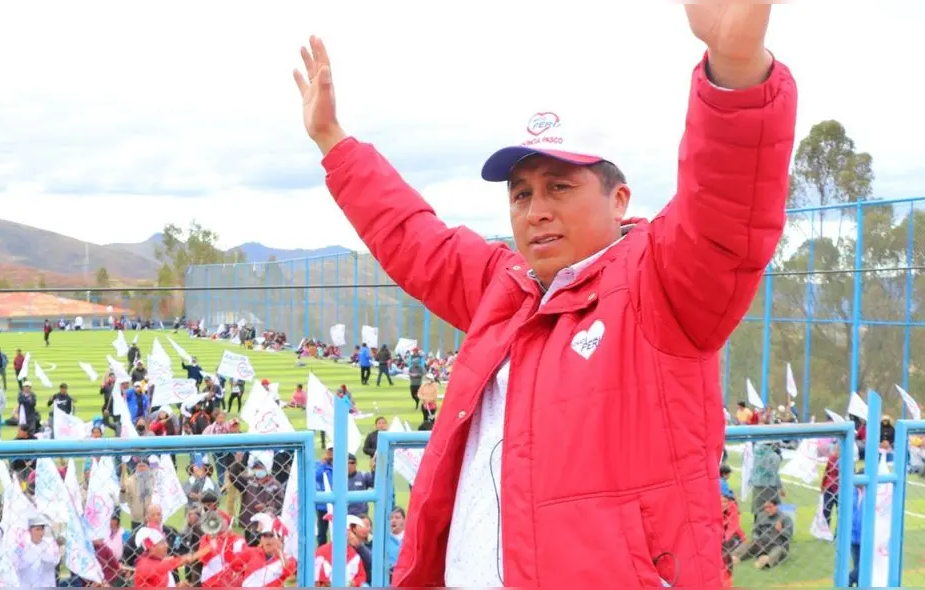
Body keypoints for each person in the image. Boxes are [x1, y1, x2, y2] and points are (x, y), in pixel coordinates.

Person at [291, 4, 796, 585]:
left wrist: (735, 71)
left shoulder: (662, 283)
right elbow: (412, 236)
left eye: (560, 186)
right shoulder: (505, 290)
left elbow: (728, 205)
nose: (537, 211)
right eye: (522, 193)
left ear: (619, 199)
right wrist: (333, 141)